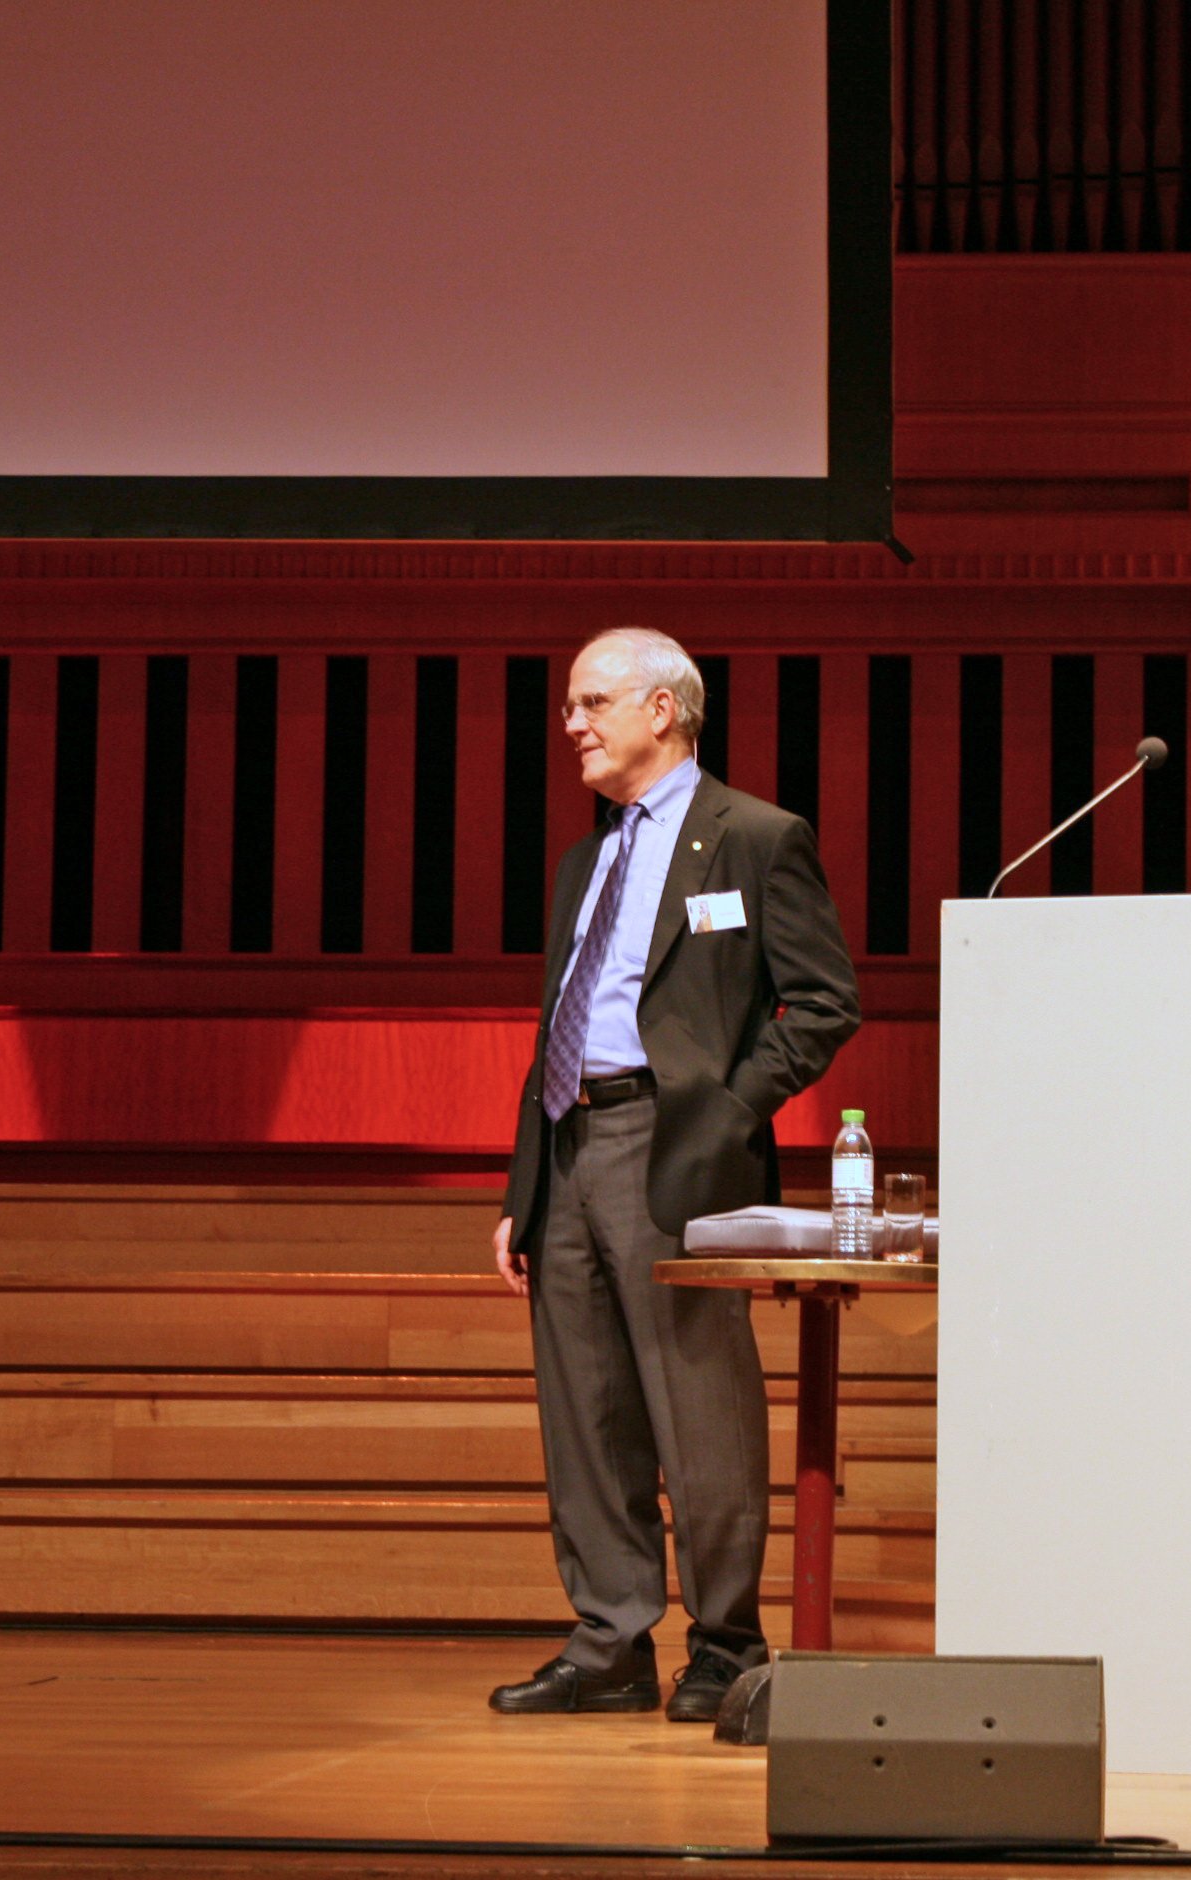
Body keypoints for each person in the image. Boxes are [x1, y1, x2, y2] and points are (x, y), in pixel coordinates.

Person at [489, 626, 860, 1722]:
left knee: (697, 1406)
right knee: (584, 1410)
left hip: (671, 1146)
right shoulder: (585, 858)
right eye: (569, 705)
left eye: (591, 702)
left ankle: (725, 1640)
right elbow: (556, 1021)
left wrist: (727, 1107)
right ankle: (608, 1638)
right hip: (567, 1147)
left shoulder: (753, 836)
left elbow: (823, 1000)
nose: (572, 724)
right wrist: (521, 1185)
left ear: (663, 709)